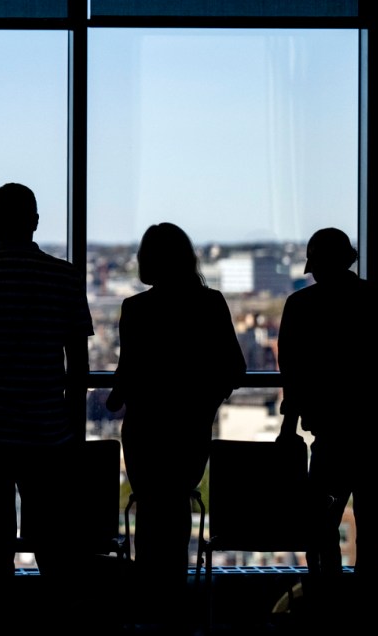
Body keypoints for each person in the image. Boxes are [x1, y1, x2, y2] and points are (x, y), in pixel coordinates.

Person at [0, 183, 94, 584]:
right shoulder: (66, 277)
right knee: (54, 547)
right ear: (36, 222)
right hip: (47, 434)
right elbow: (78, 364)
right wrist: (72, 431)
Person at [106, 222, 246, 625]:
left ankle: (150, 603)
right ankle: (174, 602)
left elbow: (126, 374)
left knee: (150, 510)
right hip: (188, 427)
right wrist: (205, 401)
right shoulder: (210, 303)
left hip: (145, 430)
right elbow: (233, 368)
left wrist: (110, 398)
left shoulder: (135, 309)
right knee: (176, 511)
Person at [277, 228, 378, 583]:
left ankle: (328, 597)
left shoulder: (300, 307)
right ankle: (365, 609)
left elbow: (293, 374)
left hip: (331, 438)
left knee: (320, 525)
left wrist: (288, 427)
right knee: (375, 532)